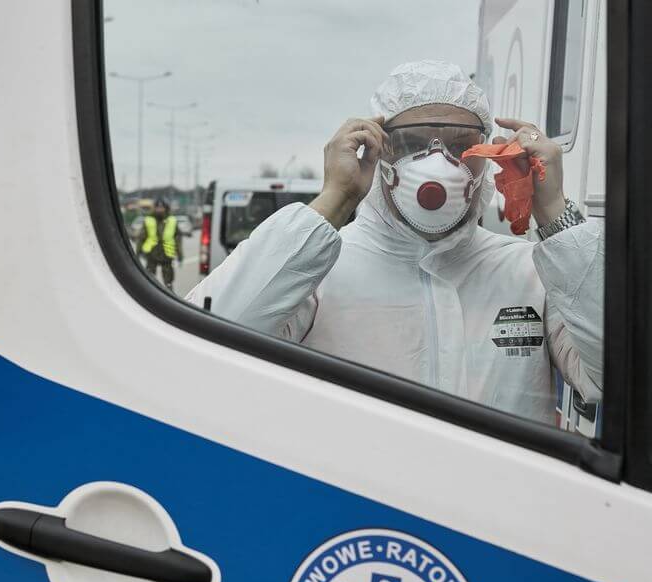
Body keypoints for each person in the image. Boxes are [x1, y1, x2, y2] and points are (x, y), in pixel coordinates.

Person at [187, 60, 603, 424]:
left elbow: (618, 374)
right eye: (413, 144)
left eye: (460, 145)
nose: (438, 163)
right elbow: (201, 349)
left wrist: (556, 216)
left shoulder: (529, 270)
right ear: (378, 152)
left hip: (499, 512)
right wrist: (336, 198)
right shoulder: (320, 269)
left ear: (488, 154)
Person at [136, 198, 184, 291]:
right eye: (157, 207)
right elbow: (141, 237)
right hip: (151, 253)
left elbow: (178, 239)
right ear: (154, 208)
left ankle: (170, 295)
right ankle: (148, 294)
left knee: (168, 282)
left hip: (167, 254)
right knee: (149, 279)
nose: (159, 209)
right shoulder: (148, 220)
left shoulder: (172, 220)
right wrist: (137, 253)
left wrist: (180, 254)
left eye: (161, 207)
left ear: (166, 208)